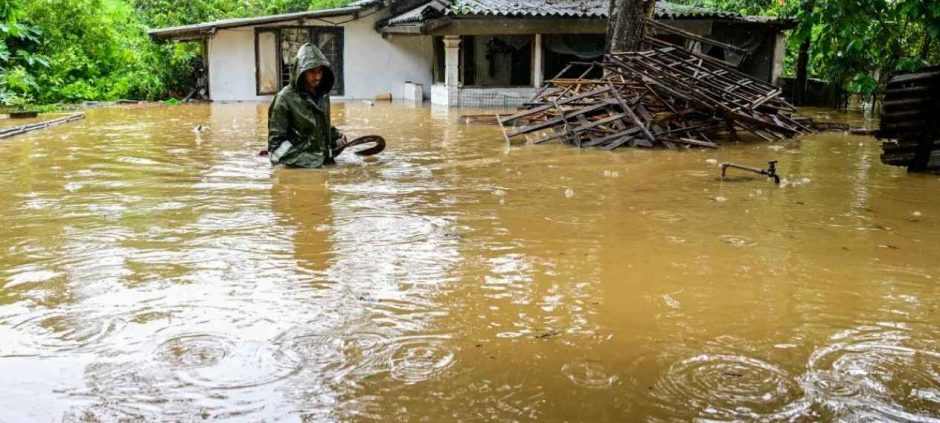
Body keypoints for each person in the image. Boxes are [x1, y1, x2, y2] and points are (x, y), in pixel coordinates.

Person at [267, 43, 346, 168]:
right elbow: (276, 148)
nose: (318, 76)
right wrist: (310, 162)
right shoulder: (284, 99)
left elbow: (318, 127)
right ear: (300, 72)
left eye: (320, 71)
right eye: (312, 72)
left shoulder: (323, 96)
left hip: (322, 165)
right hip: (297, 172)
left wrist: (336, 137)